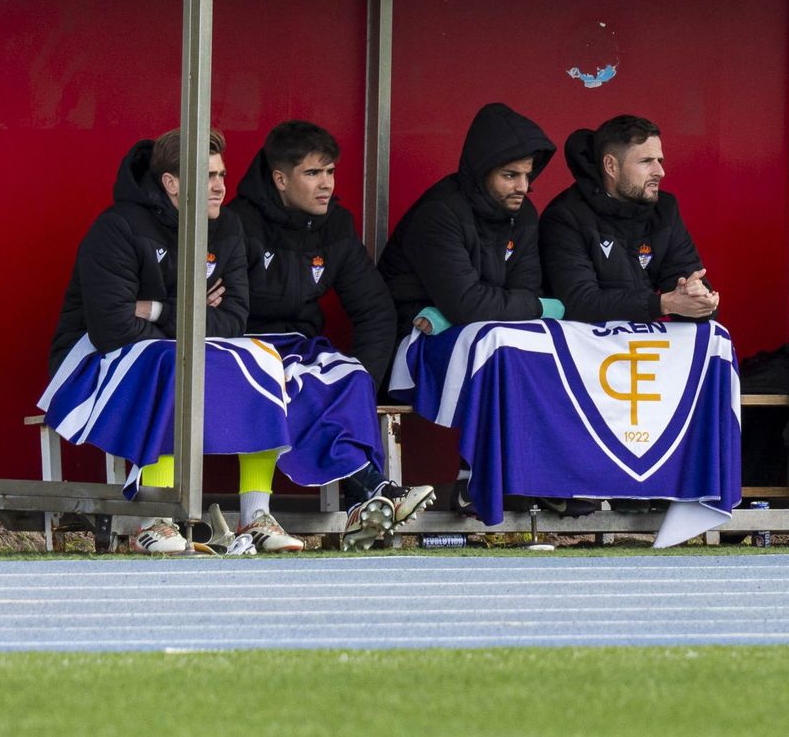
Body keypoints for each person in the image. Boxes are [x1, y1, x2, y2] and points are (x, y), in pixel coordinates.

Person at [47, 128, 301, 554]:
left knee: (260, 356)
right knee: (169, 358)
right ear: (172, 183)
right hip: (90, 363)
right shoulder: (118, 227)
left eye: (222, 174)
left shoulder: (228, 227)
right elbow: (113, 329)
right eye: (209, 176)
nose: (221, 186)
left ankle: (255, 516)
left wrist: (157, 308)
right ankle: (156, 519)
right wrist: (191, 312)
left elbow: (233, 321)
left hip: (161, 350)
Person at [227, 120, 433, 549]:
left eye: (331, 172)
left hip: (302, 347)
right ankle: (372, 490)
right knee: (297, 385)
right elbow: (224, 310)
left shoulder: (335, 225)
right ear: (280, 179)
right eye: (313, 173)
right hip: (244, 349)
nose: (327, 184)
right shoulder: (236, 224)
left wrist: (365, 384)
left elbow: (375, 309)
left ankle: (368, 498)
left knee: (351, 375)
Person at [379, 102, 567, 513]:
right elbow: (470, 303)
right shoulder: (440, 213)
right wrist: (538, 306)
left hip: (470, 329)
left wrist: (526, 306)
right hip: (414, 338)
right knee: (497, 339)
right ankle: (473, 477)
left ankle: (540, 472)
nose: (523, 186)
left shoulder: (525, 214)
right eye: (510, 175)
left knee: (532, 340)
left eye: (527, 175)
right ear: (481, 172)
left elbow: (522, 292)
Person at [539, 114, 718, 324]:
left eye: (659, 161)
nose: (660, 172)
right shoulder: (565, 216)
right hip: (581, 350)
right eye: (646, 161)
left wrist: (699, 300)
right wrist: (662, 304)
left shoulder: (665, 210)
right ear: (611, 166)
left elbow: (684, 284)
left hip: (643, 347)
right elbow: (580, 302)